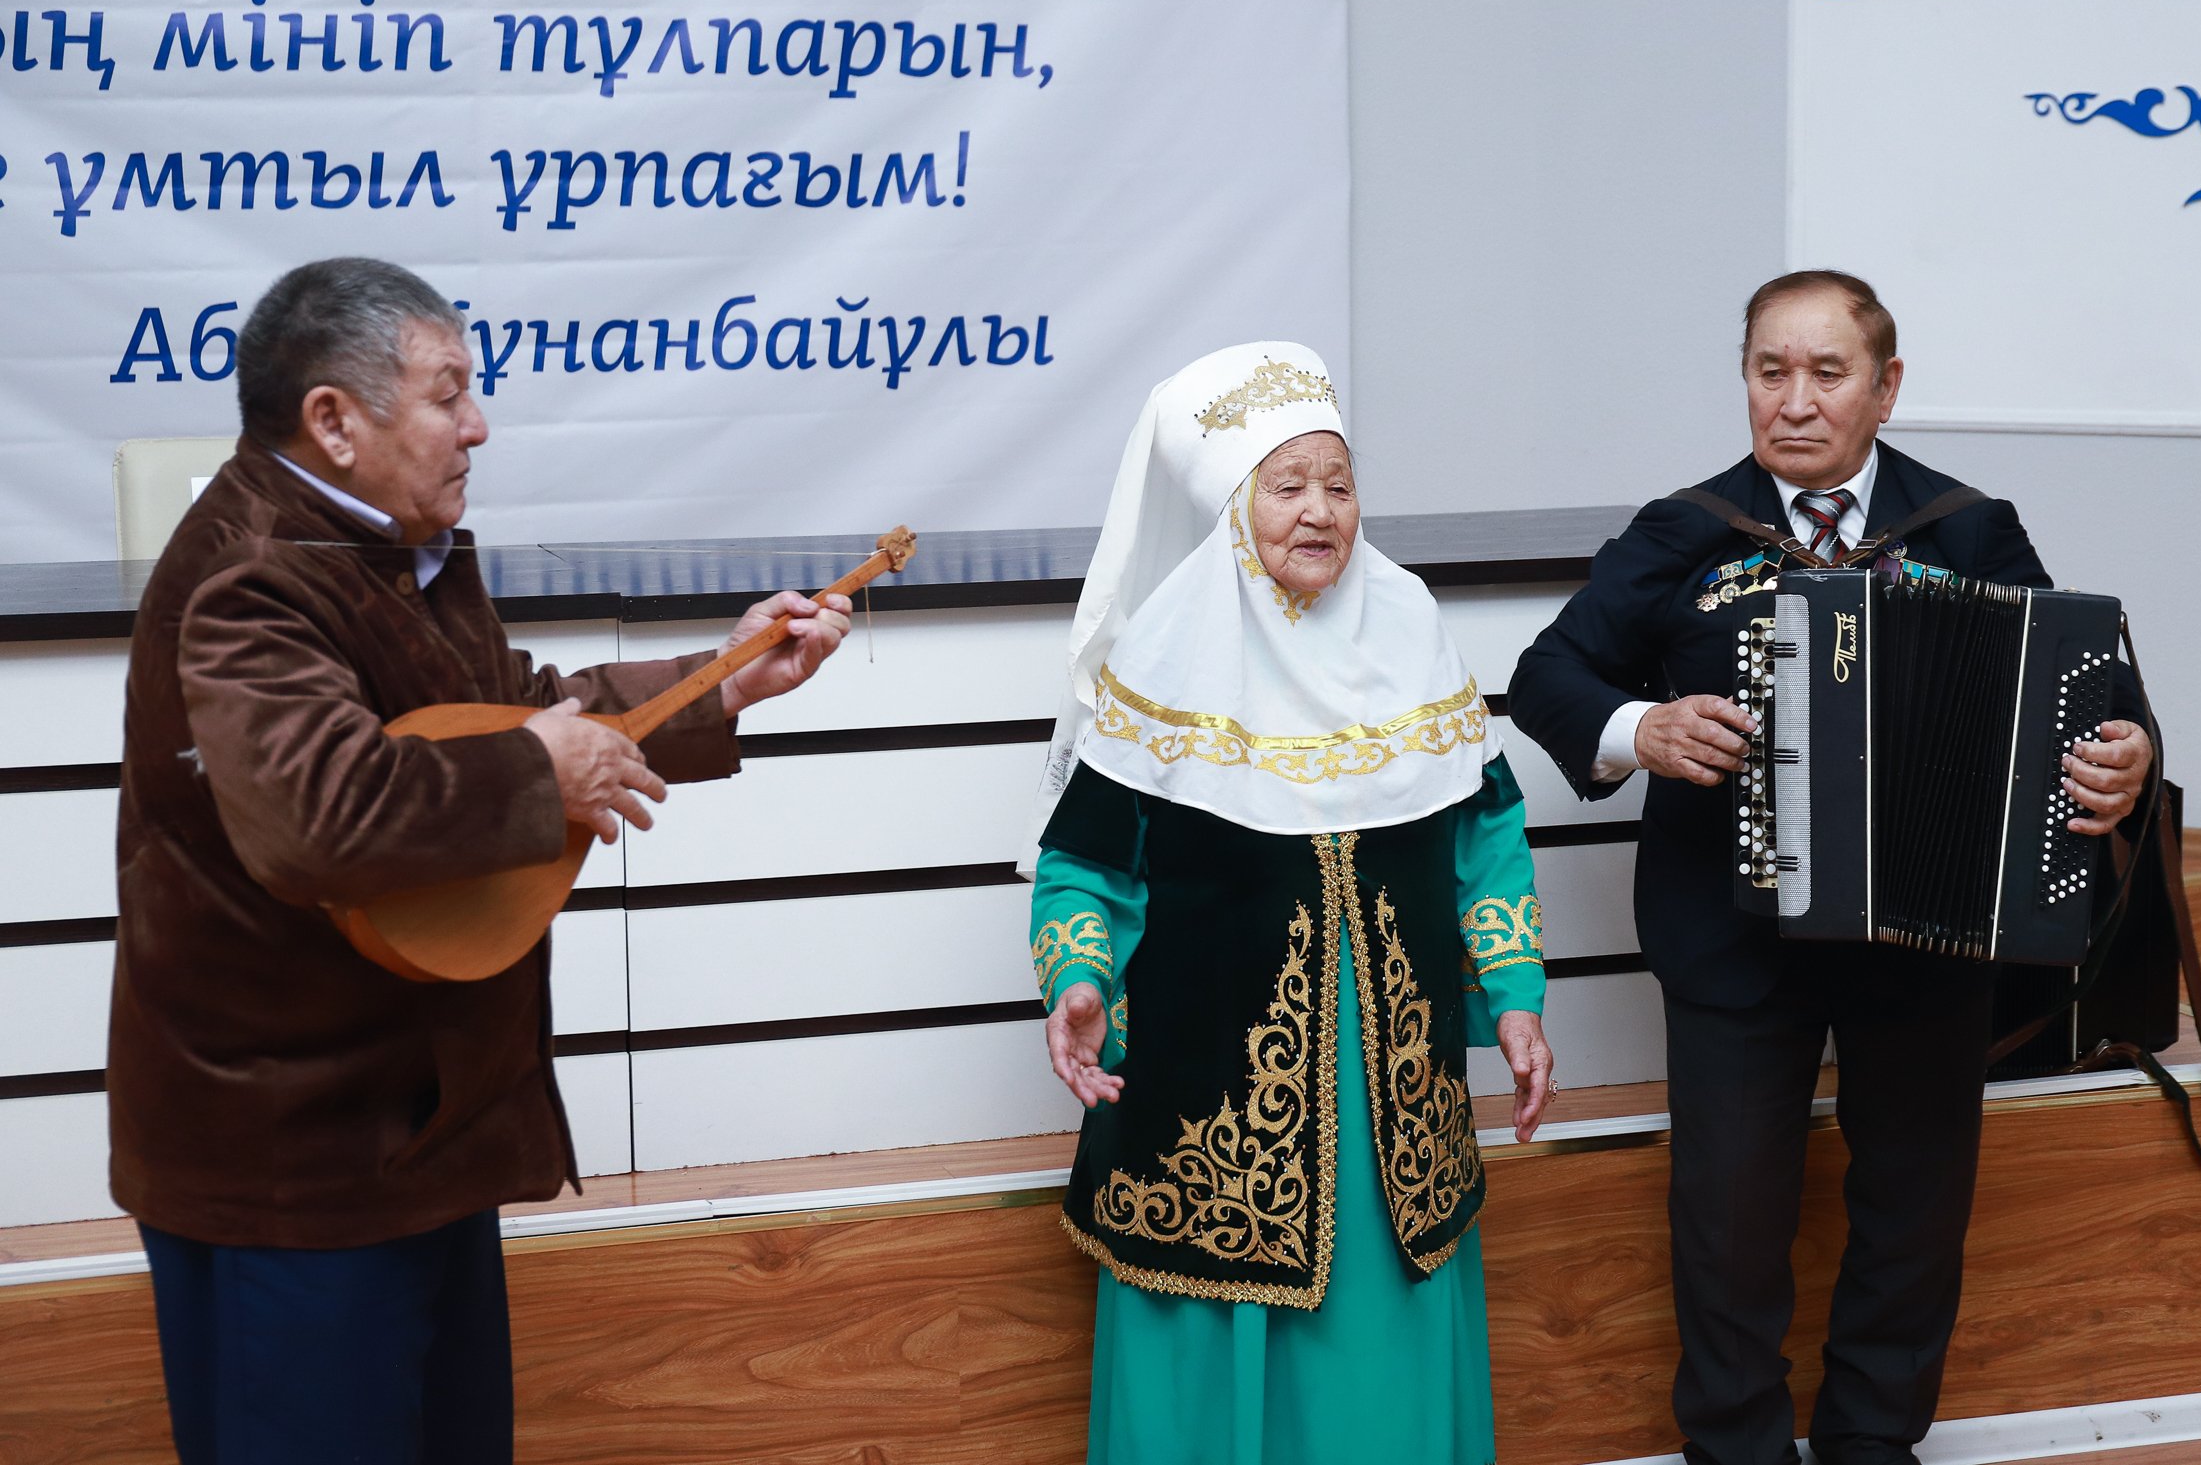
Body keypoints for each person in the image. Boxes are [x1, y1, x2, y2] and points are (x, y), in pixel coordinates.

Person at [106, 257, 854, 1465]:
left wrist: (723, 680)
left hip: (414, 1139)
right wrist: (538, 776)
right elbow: (320, 816)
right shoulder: (251, 576)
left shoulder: (387, 548)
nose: (479, 424)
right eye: (449, 392)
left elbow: (518, 716)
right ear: (334, 422)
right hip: (292, 1174)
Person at [1506, 271, 2153, 1465]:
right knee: (1728, 1220)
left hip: (1927, 938)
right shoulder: (1684, 531)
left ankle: (1872, 1442)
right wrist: (1641, 727)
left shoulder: (1966, 525)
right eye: (1770, 372)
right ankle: (1737, 1448)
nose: (1793, 401)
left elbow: (2089, 684)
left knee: (1913, 1211)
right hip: (1730, 937)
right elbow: (1549, 675)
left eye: (1825, 372)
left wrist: (2126, 753)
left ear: (1884, 387)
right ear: (1745, 380)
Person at [1024, 343, 1557, 1465]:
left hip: (1392, 1118)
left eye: (1339, 483)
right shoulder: (1162, 664)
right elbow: (1084, 870)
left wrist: (1514, 996)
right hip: (1201, 1112)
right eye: (1287, 485)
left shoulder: (1411, 628)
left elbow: (1485, 837)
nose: (1320, 510)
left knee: (1378, 1380)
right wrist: (1077, 976)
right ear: (1234, 506)